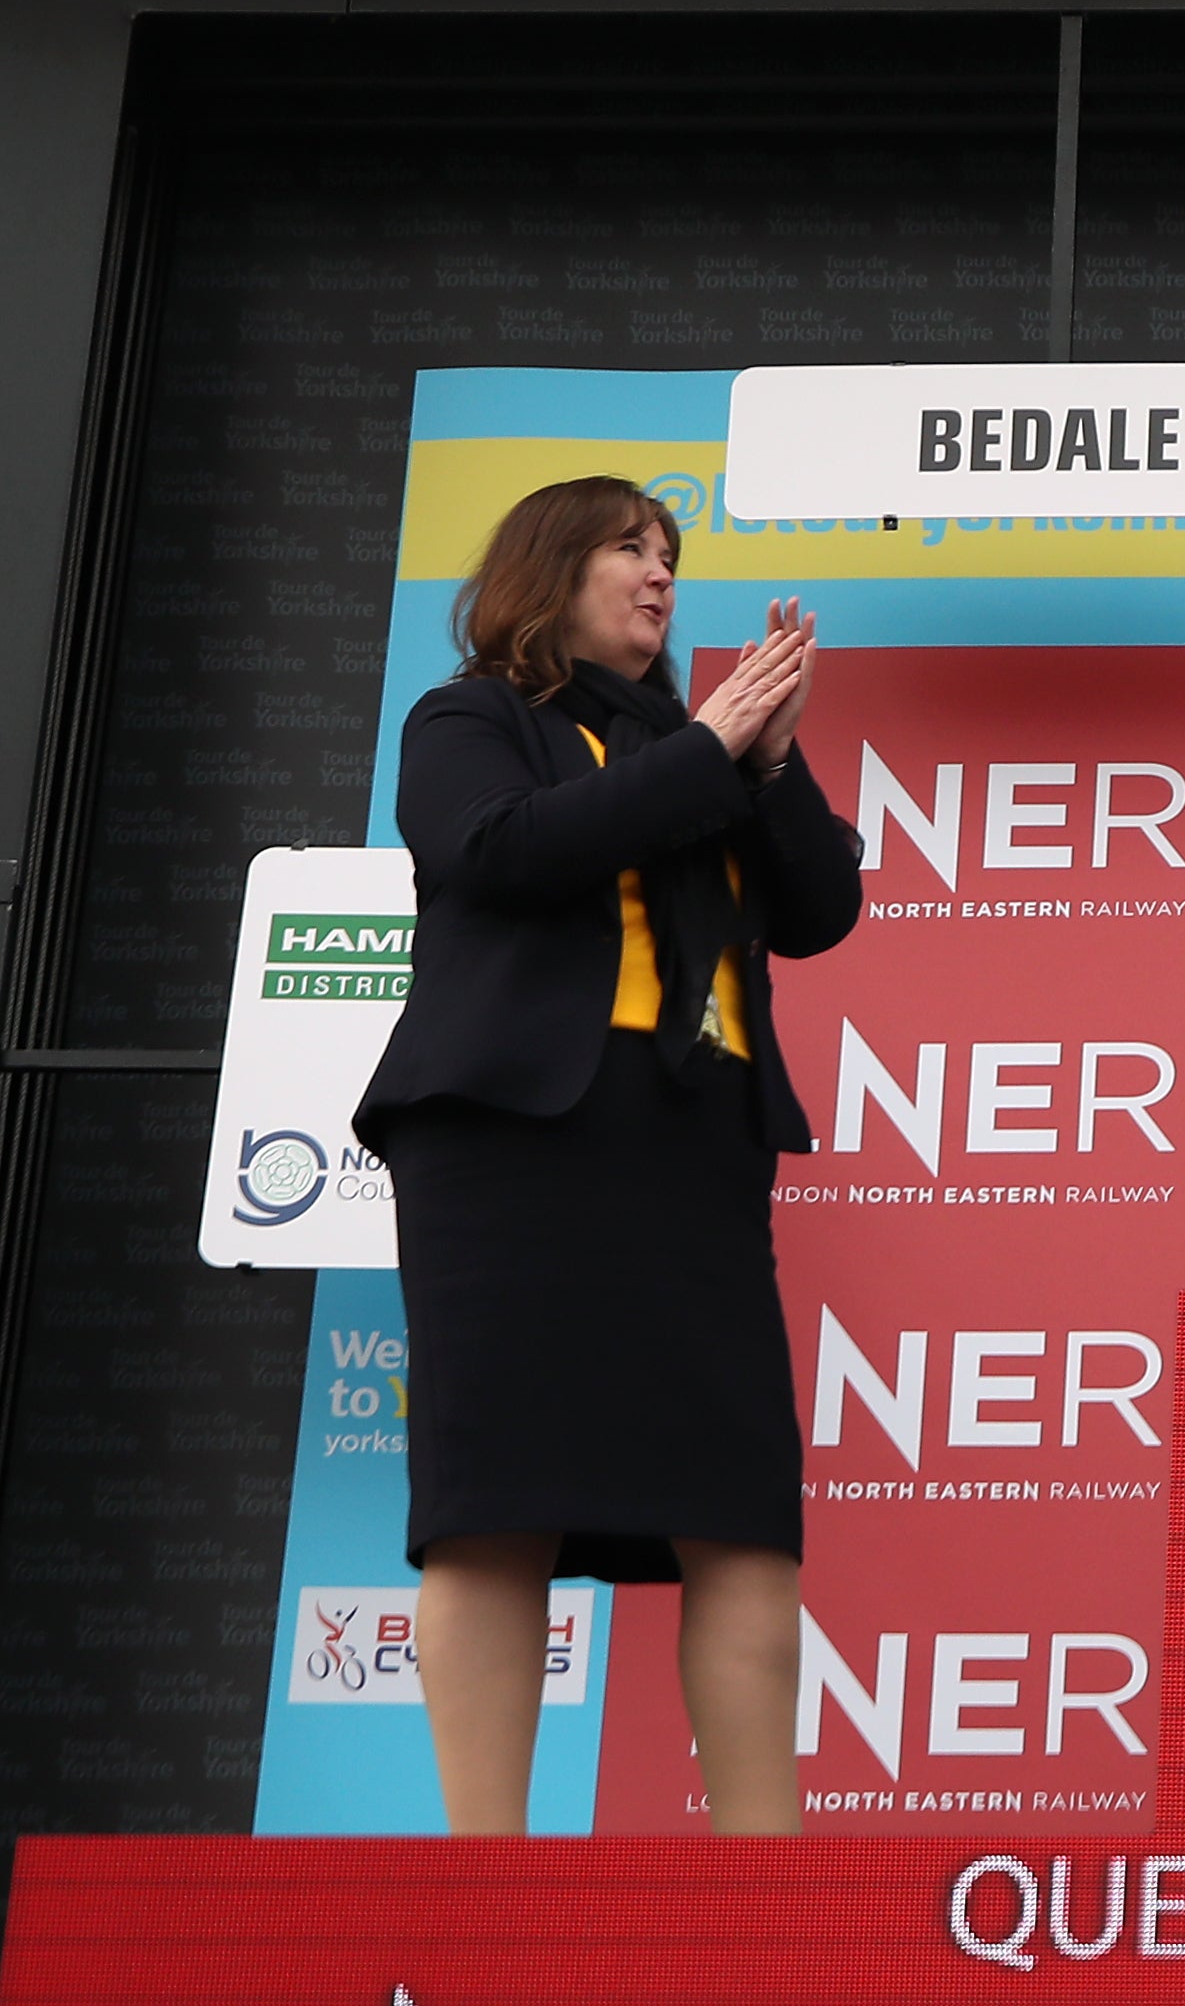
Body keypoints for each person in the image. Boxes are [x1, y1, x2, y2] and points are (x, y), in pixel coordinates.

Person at [354, 476, 863, 1834]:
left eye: (670, 556)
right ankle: (490, 1877)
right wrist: (707, 749)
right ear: (549, 569)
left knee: (743, 1514)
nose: (659, 575)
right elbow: (502, 852)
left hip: (689, 1151)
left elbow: (820, 911)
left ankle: (770, 1886)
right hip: (506, 1153)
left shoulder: (701, 748)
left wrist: (767, 761)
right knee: (490, 1506)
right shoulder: (473, 716)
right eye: (630, 549)